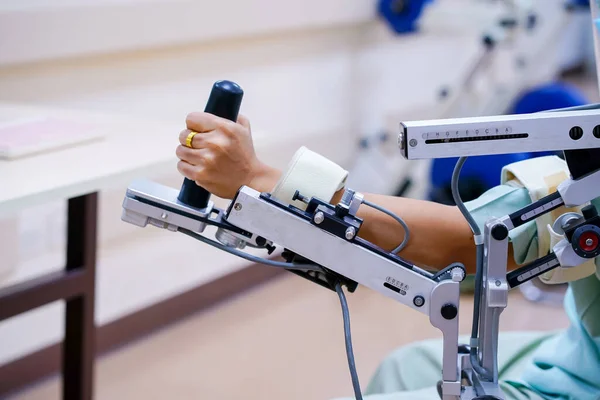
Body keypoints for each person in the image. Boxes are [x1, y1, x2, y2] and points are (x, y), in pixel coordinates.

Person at [175, 112, 600, 400]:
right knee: (408, 365)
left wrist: (260, 179)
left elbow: (461, 242)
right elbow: (485, 228)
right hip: (583, 352)